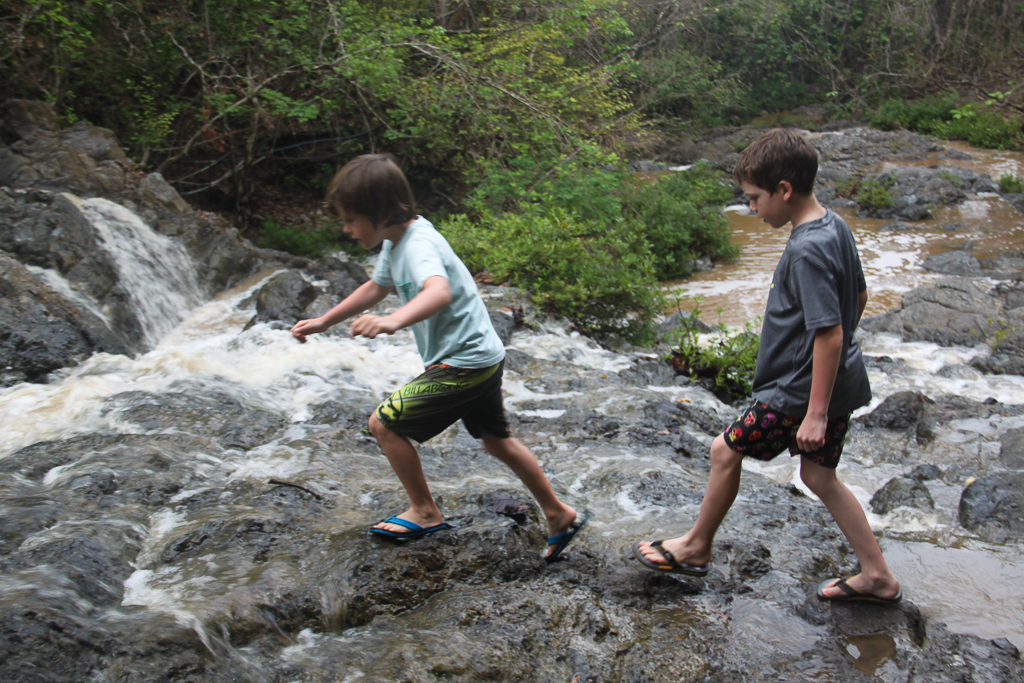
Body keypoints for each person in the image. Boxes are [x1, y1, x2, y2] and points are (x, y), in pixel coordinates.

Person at [632, 129, 902, 604]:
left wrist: (814, 411)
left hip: (798, 392)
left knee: (723, 450)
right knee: (819, 477)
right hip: (835, 381)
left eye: (755, 199)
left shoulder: (805, 249)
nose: (752, 210)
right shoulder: (834, 225)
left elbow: (829, 332)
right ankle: (877, 575)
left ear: (783, 189)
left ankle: (696, 546)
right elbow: (857, 298)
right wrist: (832, 375)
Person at [291, 154, 588, 562]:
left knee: (384, 423)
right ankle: (559, 513)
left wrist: (392, 321)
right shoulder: (397, 241)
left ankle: (425, 511)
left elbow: (438, 292)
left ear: (379, 213)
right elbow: (376, 288)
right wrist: (324, 320)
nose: (345, 229)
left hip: (464, 362)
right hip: (481, 356)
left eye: (350, 219)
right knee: (496, 441)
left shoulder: (420, 246)